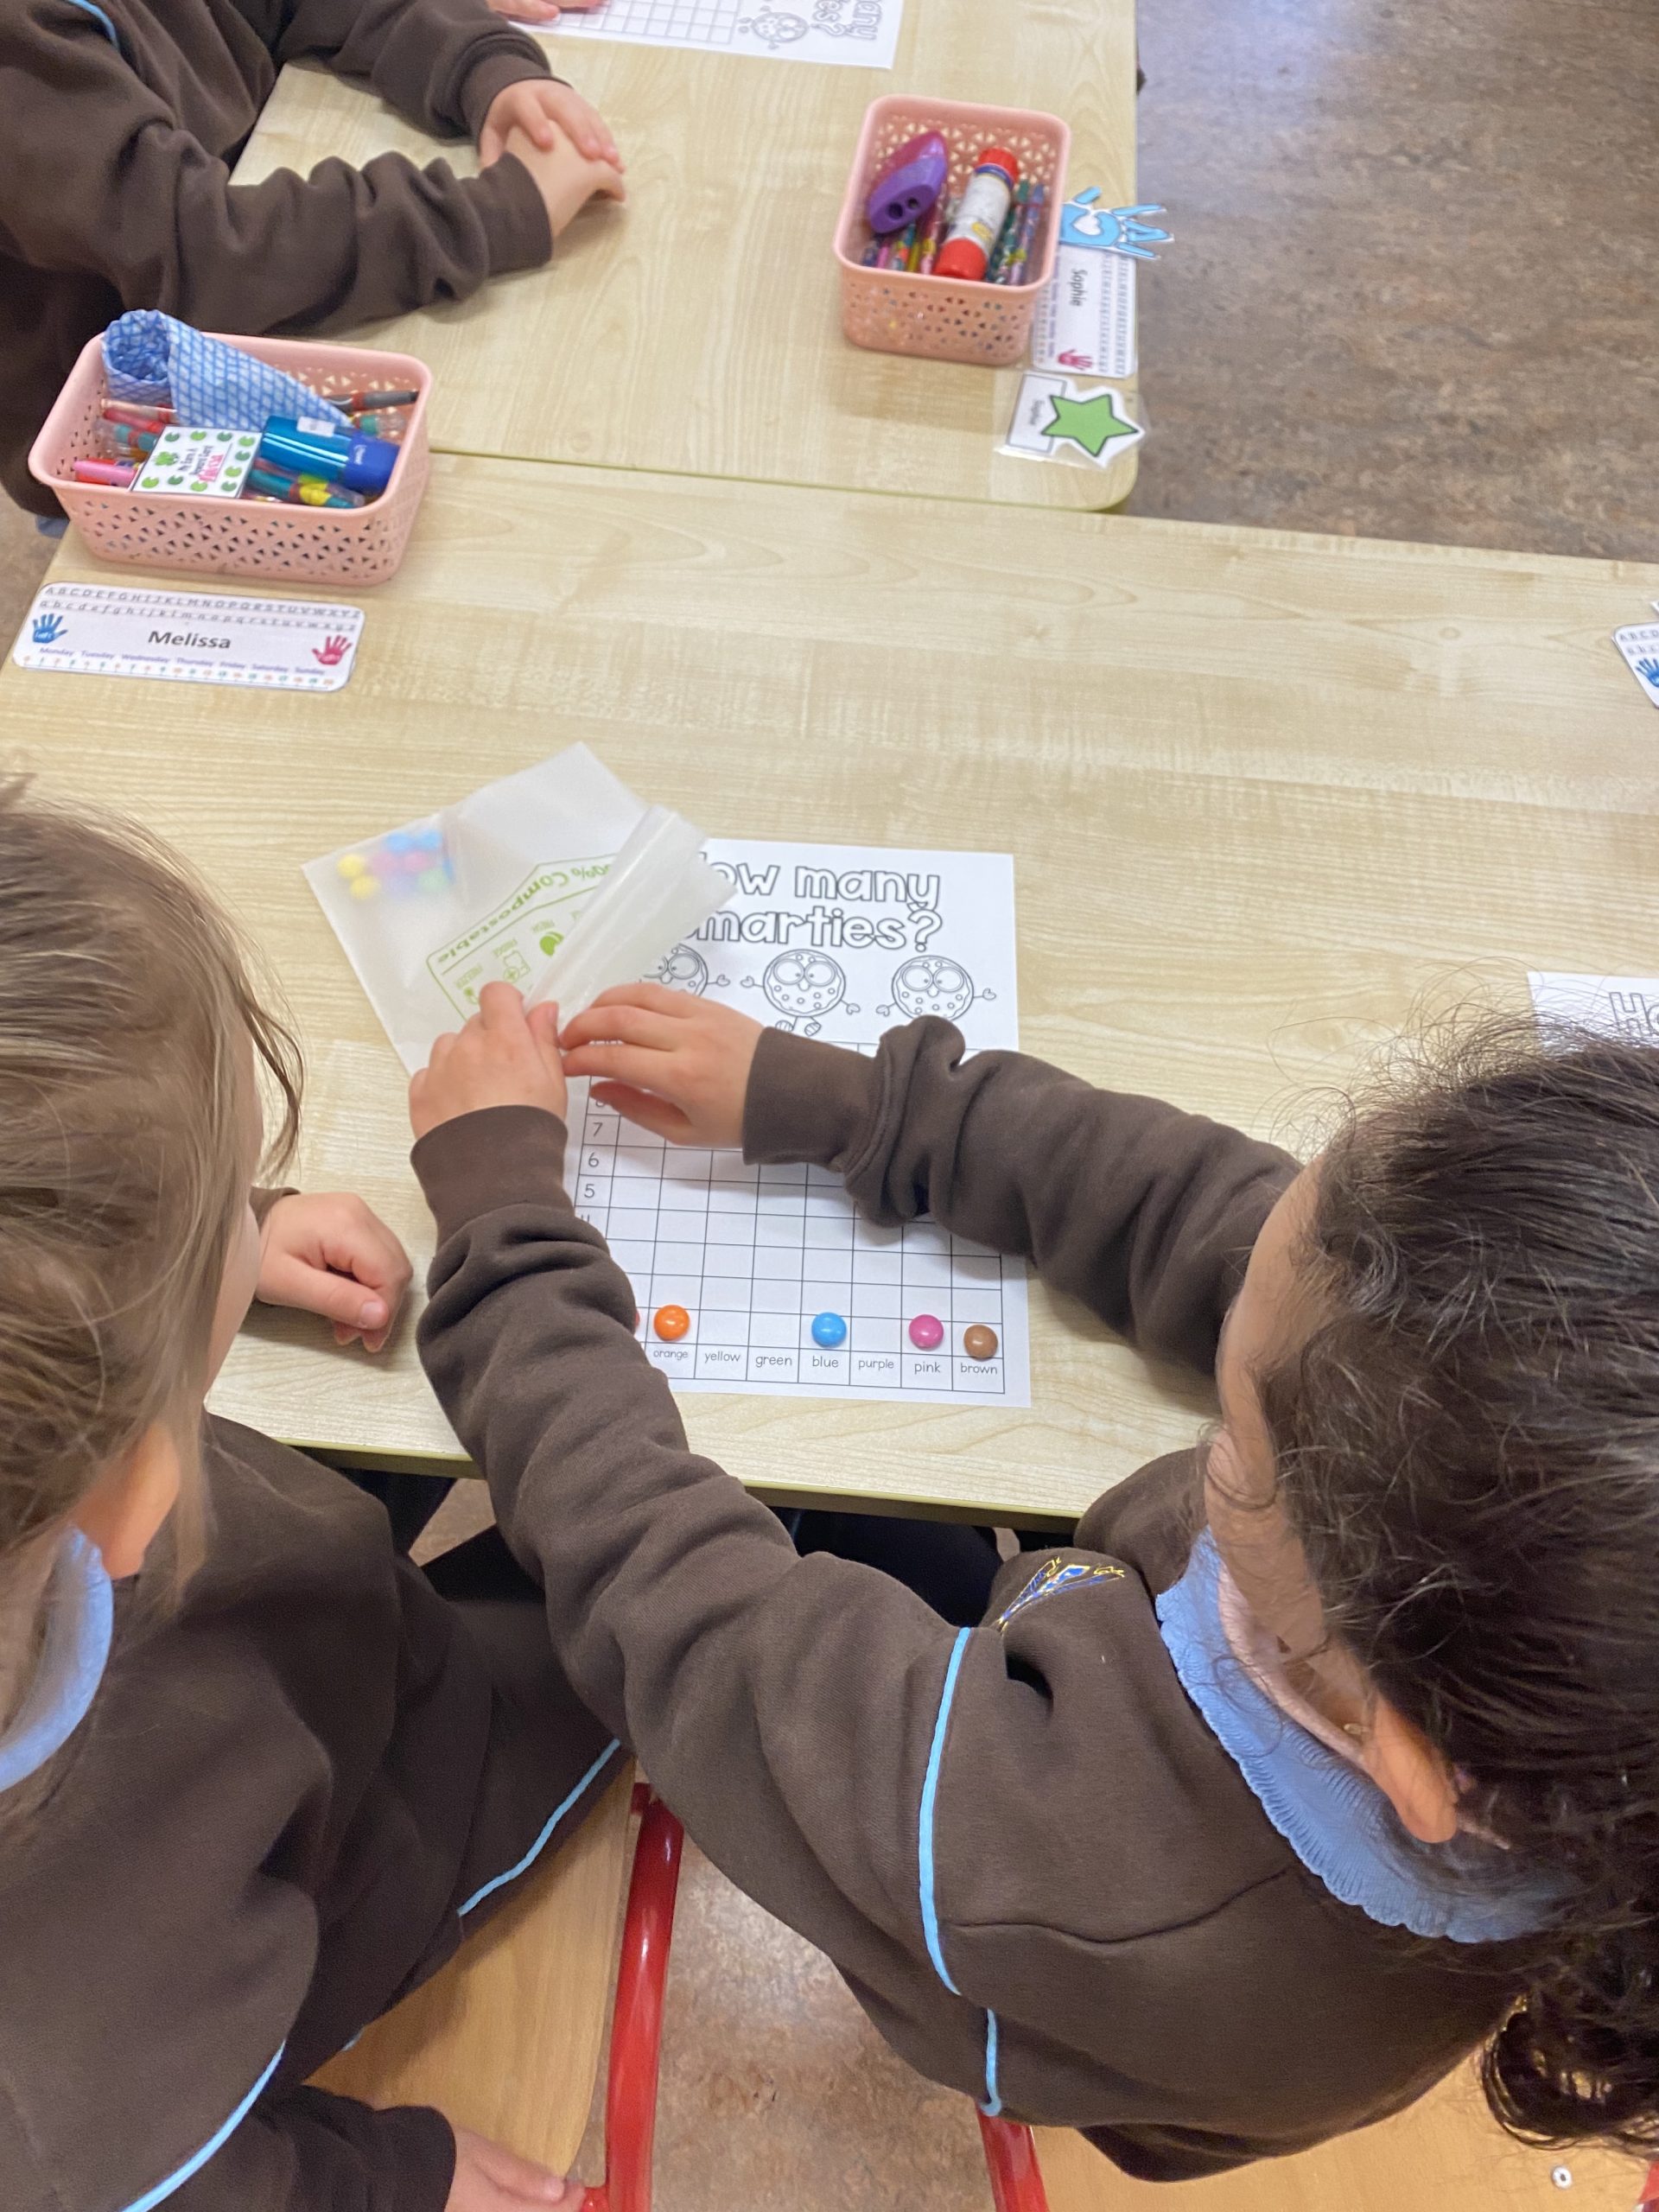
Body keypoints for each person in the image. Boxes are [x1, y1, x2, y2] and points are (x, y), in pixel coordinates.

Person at [404, 976, 1659, 2182]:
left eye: (1235, 1441)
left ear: (1408, 1754)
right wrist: (868, 1107)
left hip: (1076, 1991)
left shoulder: (1036, 1862)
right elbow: (1239, 1225)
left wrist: (503, 1223)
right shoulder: (1555, 1669)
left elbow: (674, 1604)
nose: (1217, 1441)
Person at [0, 785, 620, 2212]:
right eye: (234, 1192)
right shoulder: (66, 2109)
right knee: (638, 1617)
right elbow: (203, 2183)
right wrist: (398, 2177)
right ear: (136, 1494)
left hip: (265, 1623)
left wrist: (177, 1259)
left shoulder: (63, 1478)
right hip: (382, 1805)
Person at [0, 0, 624, 517]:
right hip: (133, 442)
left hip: (260, 319)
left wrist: (482, 65)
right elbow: (204, 254)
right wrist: (493, 214)